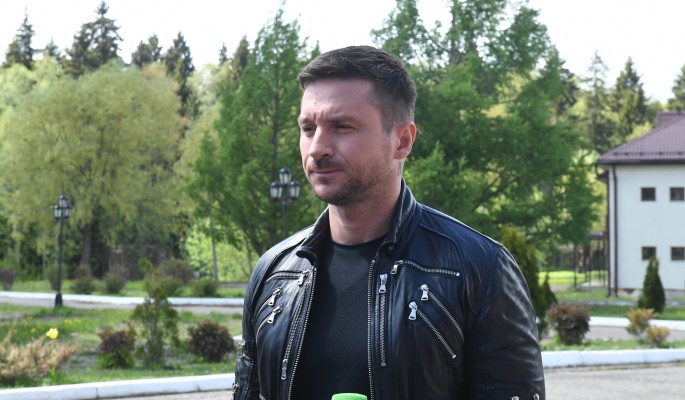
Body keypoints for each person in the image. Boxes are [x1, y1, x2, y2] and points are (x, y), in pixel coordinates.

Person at [232, 45, 545, 400]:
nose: (317, 148)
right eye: (308, 128)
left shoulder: (478, 268)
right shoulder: (275, 272)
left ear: (402, 141)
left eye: (342, 126)